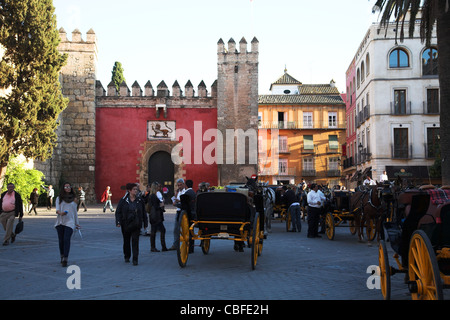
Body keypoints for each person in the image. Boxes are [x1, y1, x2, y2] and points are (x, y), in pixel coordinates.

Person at [115, 183, 147, 265]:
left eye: (136, 189)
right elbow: (118, 212)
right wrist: (118, 222)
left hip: (136, 223)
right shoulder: (123, 200)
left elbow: (144, 212)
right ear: (129, 190)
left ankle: (135, 259)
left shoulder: (140, 200)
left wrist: (145, 223)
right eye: (134, 189)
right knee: (126, 241)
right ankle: (127, 256)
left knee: (135, 241)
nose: (136, 191)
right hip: (126, 223)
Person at [55, 182, 80, 267]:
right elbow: (57, 209)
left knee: (66, 239)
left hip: (70, 222)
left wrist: (77, 223)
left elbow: (75, 212)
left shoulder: (74, 199)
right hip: (60, 221)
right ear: (63, 188)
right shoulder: (59, 198)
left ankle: (65, 258)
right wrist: (60, 213)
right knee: (61, 240)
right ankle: (62, 255)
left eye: (69, 186)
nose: (68, 188)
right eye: (66, 187)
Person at [148, 182, 167, 252]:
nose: (159, 187)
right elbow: (155, 206)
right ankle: (159, 247)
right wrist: (161, 205)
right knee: (159, 230)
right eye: (158, 186)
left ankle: (157, 247)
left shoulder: (153, 195)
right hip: (156, 216)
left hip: (155, 216)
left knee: (156, 231)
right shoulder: (153, 196)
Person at [169, 178, 186, 250]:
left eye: (180, 185)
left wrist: (178, 201)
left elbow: (185, 202)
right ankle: (175, 244)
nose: (179, 186)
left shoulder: (185, 192)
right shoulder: (178, 192)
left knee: (184, 229)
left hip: (183, 211)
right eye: (178, 185)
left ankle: (185, 243)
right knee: (176, 229)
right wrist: (175, 197)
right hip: (178, 211)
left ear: (183, 184)